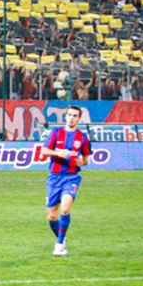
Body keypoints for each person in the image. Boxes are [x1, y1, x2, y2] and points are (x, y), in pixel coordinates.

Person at [43, 105, 92, 256]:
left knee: (65, 209)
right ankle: (62, 239)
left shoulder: (83, 138)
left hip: (71, 177)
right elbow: (44, 151)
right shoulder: (56, 133)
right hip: (54, 177)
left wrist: (80, 162)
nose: (71, 118)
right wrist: (59, 153)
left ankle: (59, 245)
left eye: (75, 116)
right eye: (69, 115)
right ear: (65, 116)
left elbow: (86, 160)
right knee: (51, 215)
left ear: (79, 118)